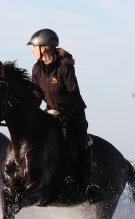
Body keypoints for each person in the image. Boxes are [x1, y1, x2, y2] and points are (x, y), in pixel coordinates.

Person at [27, 28, 102, 204]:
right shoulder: (37, 68)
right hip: (51, 113)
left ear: (44, 47)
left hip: (74, 113)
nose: (32, 50)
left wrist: (64, 115)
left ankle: (88, 184)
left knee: (80, 143)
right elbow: (37, 95)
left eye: (33, 47)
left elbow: (73, 95)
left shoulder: (64, 67)